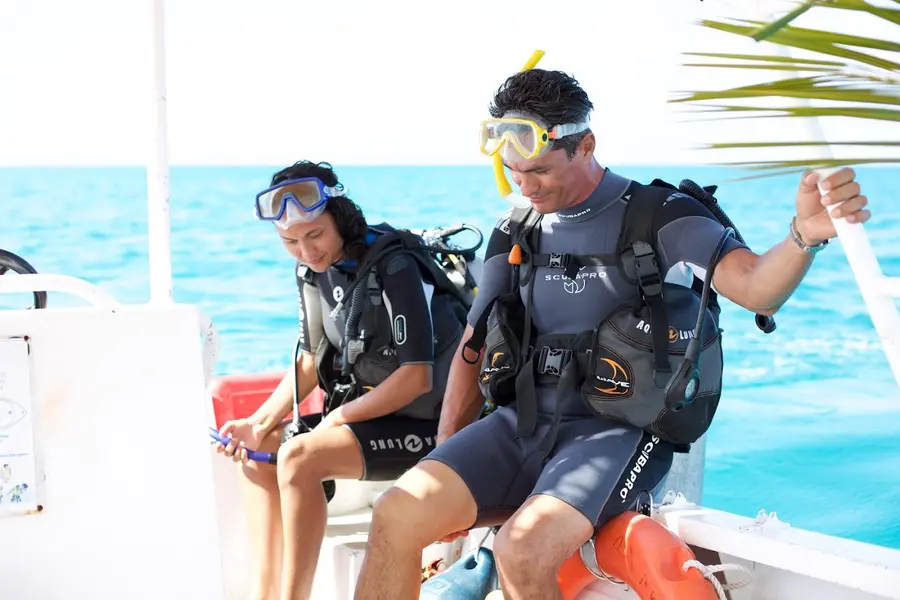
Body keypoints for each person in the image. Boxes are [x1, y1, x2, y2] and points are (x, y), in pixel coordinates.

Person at [352, 69, 872, 600]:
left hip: (616, 435)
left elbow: (758, 288)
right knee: (396, 513)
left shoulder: (660, 215)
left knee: (521, 551)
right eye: (511, 171)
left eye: (539, 171)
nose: (526, 187)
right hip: (520, 426)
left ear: (586, 146)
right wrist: (449, 458)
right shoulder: (516, 229)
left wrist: (803, 234)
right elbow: (473, 346)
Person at [214, 160, 473, 600]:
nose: (306, 251)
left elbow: (415, 378)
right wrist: (257, 422)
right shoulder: (312, 272)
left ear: (341, 216)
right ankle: (267, 593)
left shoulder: (394, 266)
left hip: (432, 429)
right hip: (370, 417)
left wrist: (338, 419)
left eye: (314, 235)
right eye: (290, 241)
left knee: (298, 457)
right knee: (256, 452)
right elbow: (312, 362)